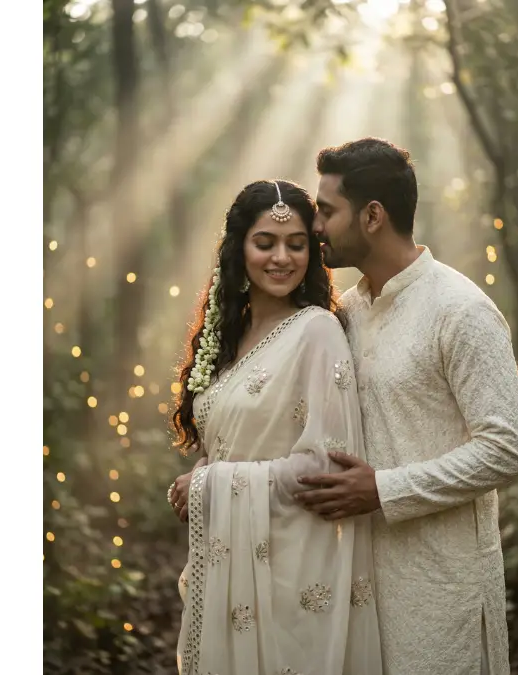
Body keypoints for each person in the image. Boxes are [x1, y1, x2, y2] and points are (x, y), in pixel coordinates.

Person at [295, 137, 518, 675]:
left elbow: (507, 448)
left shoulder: (461, 310)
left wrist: (383, 489)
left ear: (373, 215)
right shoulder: (344, 314)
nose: (315, 227)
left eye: (327, 211)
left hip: (443, 594)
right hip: (356, 587)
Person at [166, 179, 383, 675]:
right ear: (239, 248)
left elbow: (322, 465)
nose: (281, 257)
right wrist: (208, 469)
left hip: (290, 574)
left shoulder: (317, 330)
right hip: (230, 560)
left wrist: (209, 485)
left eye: (296, 244)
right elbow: (237, 440)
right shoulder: (229, 335)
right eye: (265, 243)